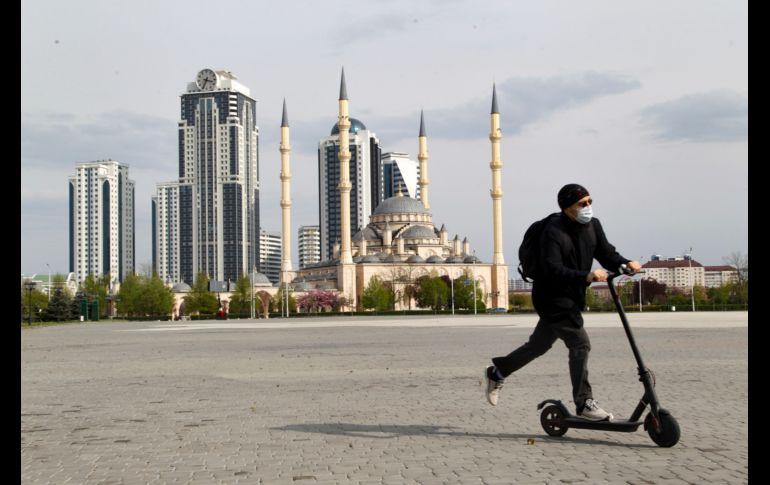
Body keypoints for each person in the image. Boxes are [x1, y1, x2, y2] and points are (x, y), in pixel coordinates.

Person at [484, 183, 641, 421]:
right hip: (551, 298)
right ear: (567, 208)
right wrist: (586, 276)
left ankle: (497, 372)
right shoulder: (554, 232)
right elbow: (552, 269)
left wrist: (626, 263)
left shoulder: (593, 225)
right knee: (580, 343)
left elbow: (606, 253)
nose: (588, 207)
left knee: (538, 346)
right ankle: (584, 403)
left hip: (572, 296)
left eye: (589, 202)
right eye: (582, 204)